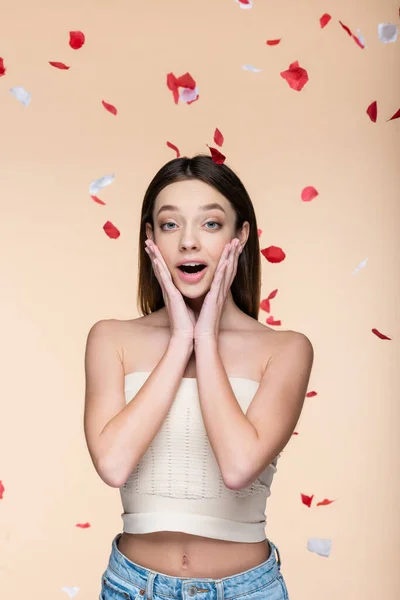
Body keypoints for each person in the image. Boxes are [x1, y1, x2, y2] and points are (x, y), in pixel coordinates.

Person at [84, 154, 314, 600]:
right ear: (150, 237)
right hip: (133, 587)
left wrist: (205, 338)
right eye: (170, 225)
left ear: (240, 236)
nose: (189, 242)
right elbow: (112, 465)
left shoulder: (286, 350)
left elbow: (238, 466)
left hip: (248, 591)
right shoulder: (110, 339)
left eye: (210, 224)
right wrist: (179, 341)